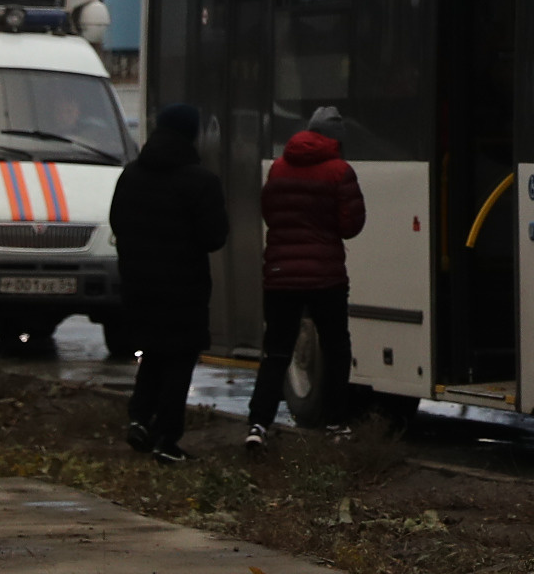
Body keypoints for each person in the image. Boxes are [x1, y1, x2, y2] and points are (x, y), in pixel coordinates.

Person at [106, 103, 230, 461]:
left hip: (139, 286)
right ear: (191, 134)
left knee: (152, 356)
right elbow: (214, 237)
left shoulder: (131, 175)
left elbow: (117, 223)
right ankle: (166, 439)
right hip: (184, 289)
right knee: (178, 360)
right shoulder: (202, 181)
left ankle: (139, 419)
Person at [248, 105, 365, 450]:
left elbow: (269, 213)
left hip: (280, 276)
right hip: (325, 276)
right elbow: (351, 225)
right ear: (336, 141)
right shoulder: (340, 172)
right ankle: (335, 423)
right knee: (335, 348)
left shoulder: (279, 170)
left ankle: (257, 424)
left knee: (277, 352)